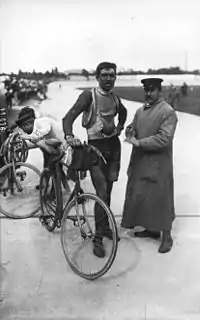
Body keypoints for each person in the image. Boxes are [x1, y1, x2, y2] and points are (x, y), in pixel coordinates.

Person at [62, 61, 127, 258]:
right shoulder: (88, 96)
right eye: (105, 75)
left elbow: (123, 113)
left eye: (112, 75)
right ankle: (97, 239)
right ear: (97, 77)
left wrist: (120, 128)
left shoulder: (115, 98)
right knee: (102, 192)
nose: (109, 79)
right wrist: (69, 136)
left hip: (113, 148)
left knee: (109, 191)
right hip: (95, 149)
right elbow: (68, 118)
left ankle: (104, 227)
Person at [121, 78, 178, 254]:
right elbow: (134, 127)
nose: (148, 93)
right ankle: (151, 229)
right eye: (146, 89)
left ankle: (166, 236)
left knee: (161, 197)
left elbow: (164, 138)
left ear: (159, 91)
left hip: (159, 163)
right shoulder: (141, 110)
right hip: (141, 161)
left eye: (152, 90)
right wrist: (130, 130)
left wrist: (138, 143)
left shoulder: (167, 112)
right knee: (144, 195)